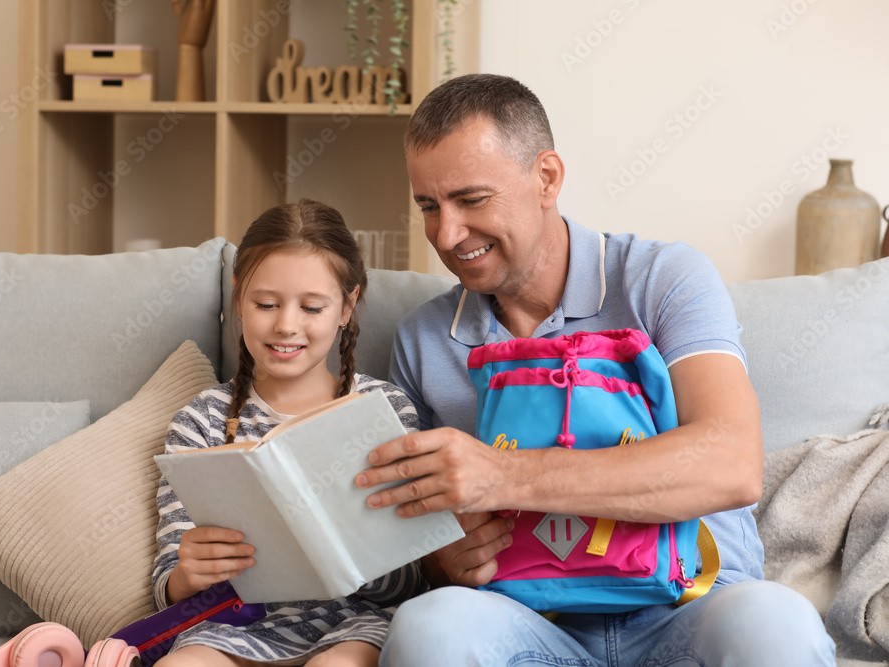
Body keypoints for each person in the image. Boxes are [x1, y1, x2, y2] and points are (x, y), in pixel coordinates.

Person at [353, 74, 836, 666]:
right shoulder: (423, 339)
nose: (446, 235)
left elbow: (731, 464)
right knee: (430, 625)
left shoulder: (665, 279)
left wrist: (503, 474)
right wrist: (442, 558)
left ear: (547, 178)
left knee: (777, 621)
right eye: (428, 206)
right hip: (526, 623)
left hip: (694, 608)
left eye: (471, 200)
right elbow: (409, 530)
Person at [151, 199, 426, 667]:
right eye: (266, 304)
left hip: (353, 625)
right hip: (233, 626)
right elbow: (167, 588)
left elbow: (412, 579)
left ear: (347, 306)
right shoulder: (201, 420)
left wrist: (351, 557)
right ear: (239, 298)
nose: (286, 325)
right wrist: (187, 575)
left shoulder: (384, 411)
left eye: (312, 307)